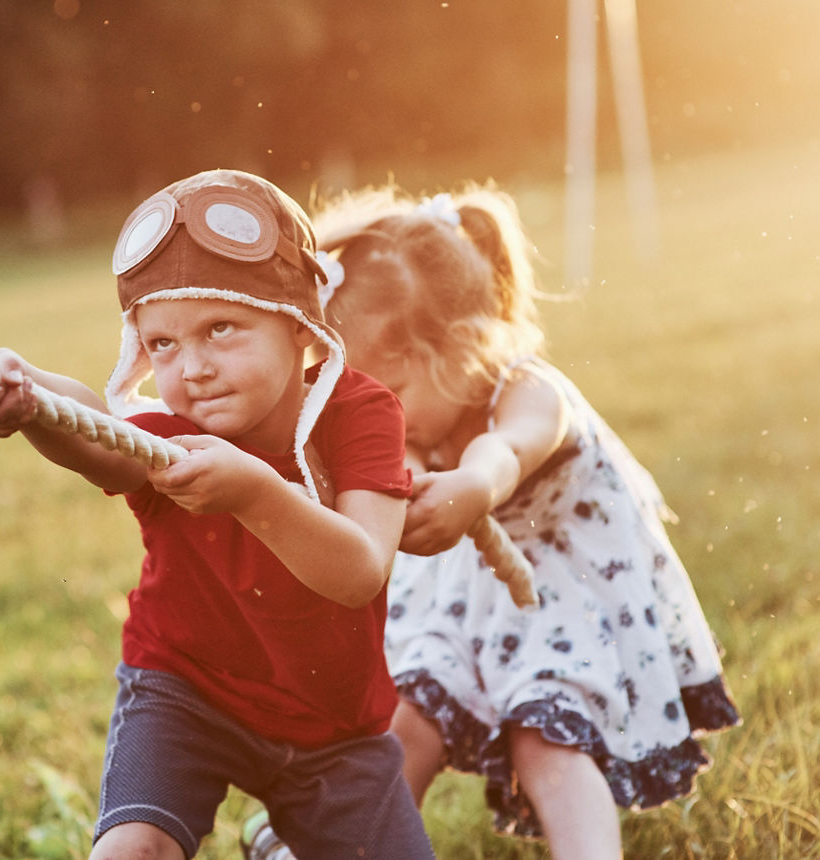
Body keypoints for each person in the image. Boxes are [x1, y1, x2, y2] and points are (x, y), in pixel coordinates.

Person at [243, 182, 740, 860]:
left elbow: (503, 453)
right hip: (465, 599)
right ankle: (340, 845)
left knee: (547, 744)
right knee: (406, 722)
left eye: (388, 394)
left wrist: (472, 487)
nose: (377, 417)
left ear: (463, 348)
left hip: (565, 601)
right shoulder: (411, 423)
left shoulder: (533, 393)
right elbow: (388, 471)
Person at [0, 169, 435, 859]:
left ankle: (282, 845)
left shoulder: (359, 413)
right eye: (163, 344)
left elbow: (360, 568)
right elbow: (95, 430)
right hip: (185, 692)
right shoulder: (163, 435)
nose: (194, 367)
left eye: (220, 329)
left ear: (300, 330)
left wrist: (255, 493)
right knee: (133, 850)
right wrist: (29, 394)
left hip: (333, 725)